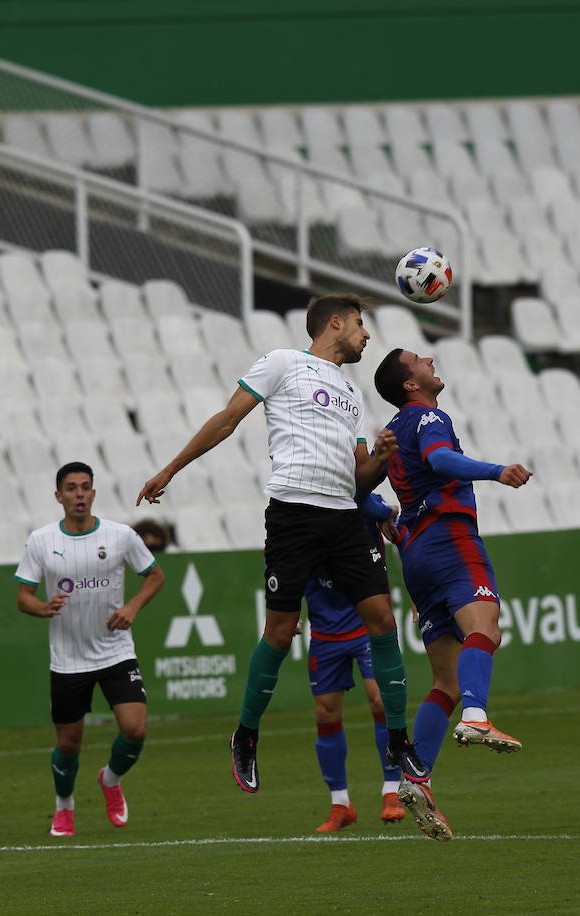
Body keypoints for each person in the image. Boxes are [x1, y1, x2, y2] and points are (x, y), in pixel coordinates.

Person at [136, 293, 429, 793]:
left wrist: (380, 458)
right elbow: (228, 419)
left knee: (382, 619)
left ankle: (398, 740)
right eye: (360, 323)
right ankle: (246, 735)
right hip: (293, 512)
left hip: (342, 515)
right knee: (280, 629)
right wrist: (170, 469)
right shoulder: (283, 362)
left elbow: (360, 481)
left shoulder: (351, 394)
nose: (367, 334)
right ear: (334, 323)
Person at [372, 347, 533, 841]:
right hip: (451, 539)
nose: (430, 360)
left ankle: (416, 775)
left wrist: (383, 521)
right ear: (410, 384)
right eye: (420, 360)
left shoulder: (391, 434)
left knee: (442, 679)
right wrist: (496, 471)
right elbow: (441, 460)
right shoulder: (426, 418)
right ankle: (478, 715)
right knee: (486, 629)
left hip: (417, 555)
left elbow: (363, 493)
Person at [15, 461, 166, 838]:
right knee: (69, 743)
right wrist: (42, 608)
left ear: (94, 493)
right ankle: (64, 807)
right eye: (71, 488)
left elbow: (155, 576)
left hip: (115, 651)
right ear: (59, 496)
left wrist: (132, 607)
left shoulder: (120, 536)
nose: (79, 494)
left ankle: (110, 779)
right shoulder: (41, 541)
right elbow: (22, 597)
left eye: (85, 487)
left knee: (135, 729)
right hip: (68, 658)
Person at [304, 492, 406, 832]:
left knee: (380, 698)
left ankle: (391, 790)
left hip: (365, 624)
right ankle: (340, 803)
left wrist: (384, 510)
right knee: (326, 712)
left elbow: (385, 509)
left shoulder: (363, 500)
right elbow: (276, 556)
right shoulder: (302, 507)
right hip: (325, 628)